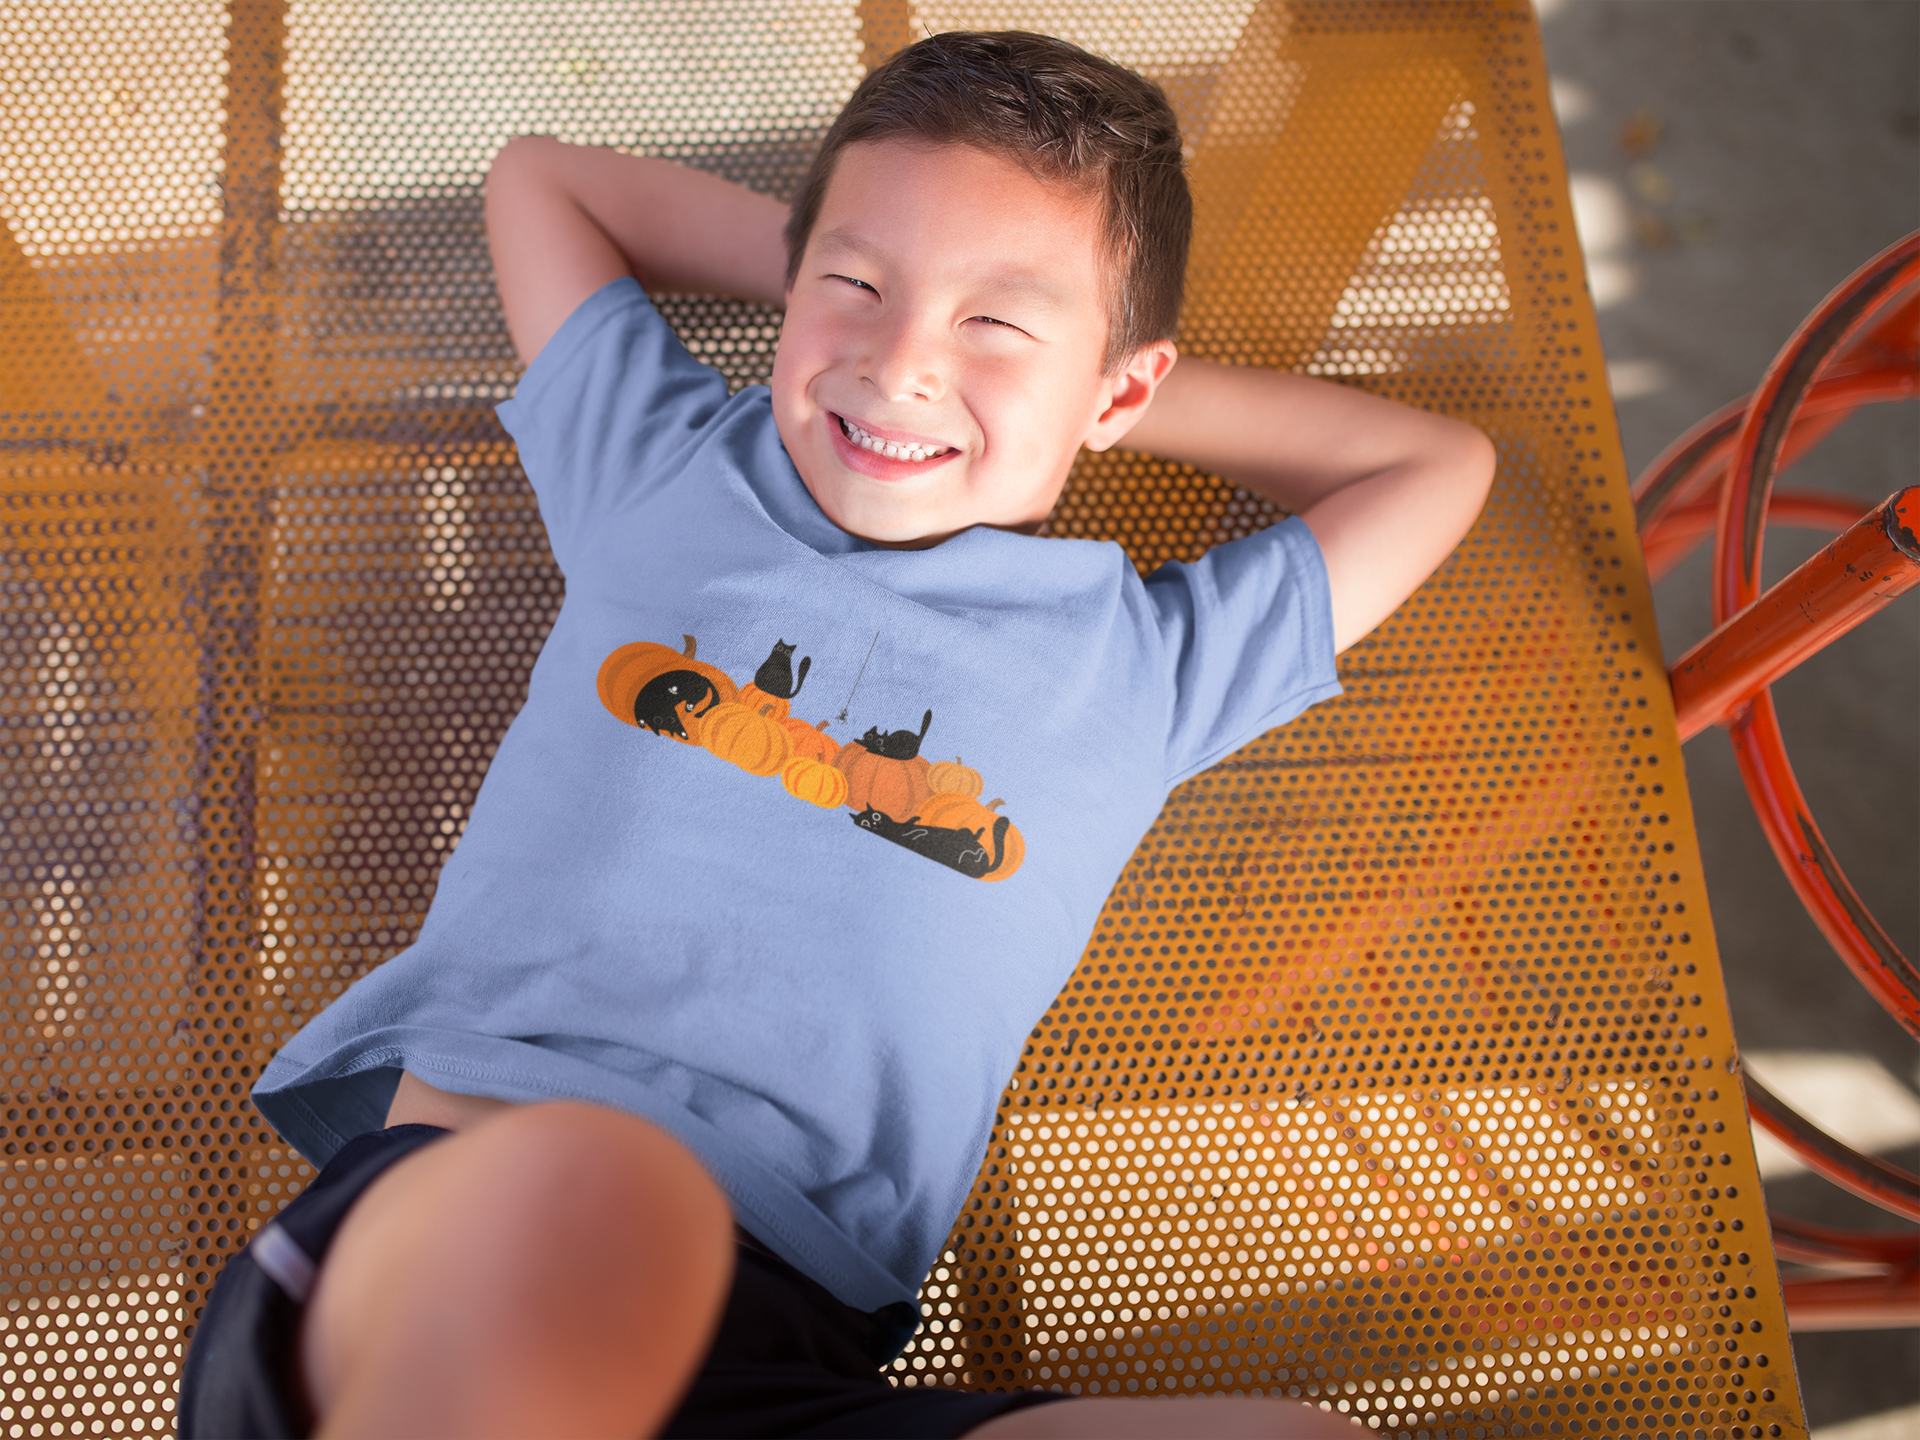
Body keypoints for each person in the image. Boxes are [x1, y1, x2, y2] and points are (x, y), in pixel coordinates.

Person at [180, 29, 1493, 1440]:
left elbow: (1432, 467)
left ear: (1120, 391)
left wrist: (1079, 374)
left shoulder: (1144, 663)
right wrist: (854, 271)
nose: (902, 364)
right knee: (572, 1214)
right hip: (473, 1209)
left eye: (998, 326)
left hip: (789, 1338)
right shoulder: (668, 464)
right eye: (855, 290)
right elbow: (540, 182)